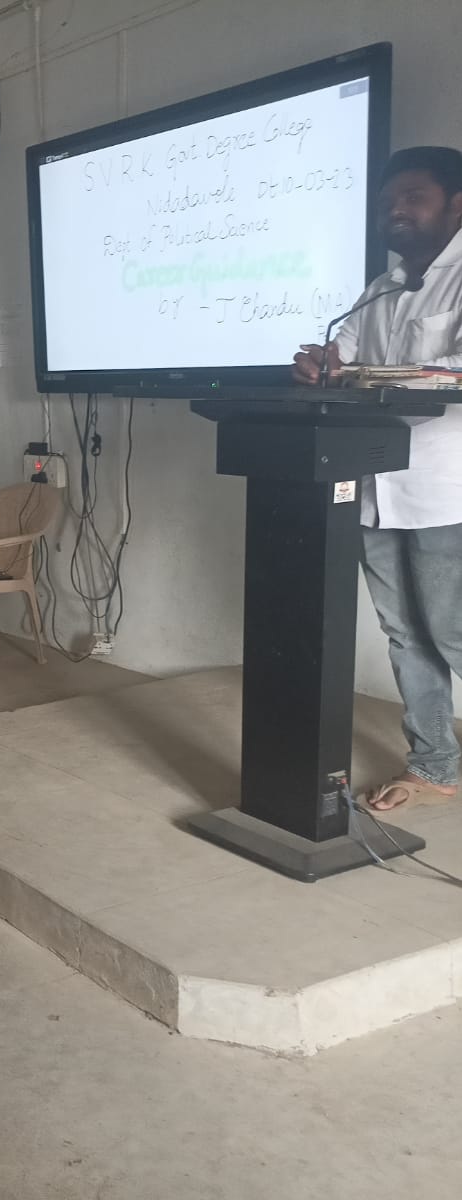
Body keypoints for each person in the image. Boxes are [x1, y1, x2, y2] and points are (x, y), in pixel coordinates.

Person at [293, 146, 462, 812]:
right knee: (404, 636)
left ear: (456, 205)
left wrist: (378, 380)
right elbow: (347, 359)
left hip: (447, 489)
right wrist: (322, 364)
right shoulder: (380, 288)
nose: (395, 210)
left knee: (452, 633)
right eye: (387, 201)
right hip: (373, 489)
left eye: (413, 197)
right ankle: (436, 765)